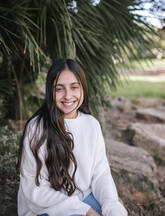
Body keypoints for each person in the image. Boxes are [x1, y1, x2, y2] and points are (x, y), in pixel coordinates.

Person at [18, 59, 128, 216]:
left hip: (83, 198)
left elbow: (101, 173)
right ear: (50, 91)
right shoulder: (37, 128)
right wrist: (84, 211)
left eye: (74, 87)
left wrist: (111, 205)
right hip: (44, 207)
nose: (68, 96)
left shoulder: (92, 125)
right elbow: (35, 190)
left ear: (83, 88)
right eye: (59, 89)